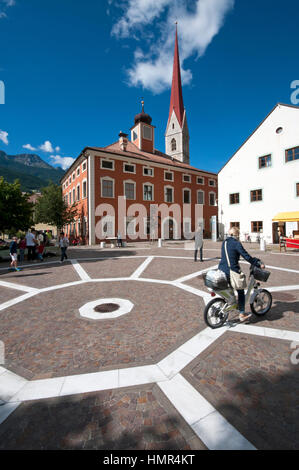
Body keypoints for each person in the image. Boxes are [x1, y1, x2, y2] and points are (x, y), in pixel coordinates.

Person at [218, 226, 264, 323]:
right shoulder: (236, 243)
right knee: (241, 291)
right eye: (238, 235)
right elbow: (247, 257)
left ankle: (230, 304)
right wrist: (257, 263)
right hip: (232, 272)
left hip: (222, 270)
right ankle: (242, 314)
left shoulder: (224, 242)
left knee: (229, 290)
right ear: (236, 235)